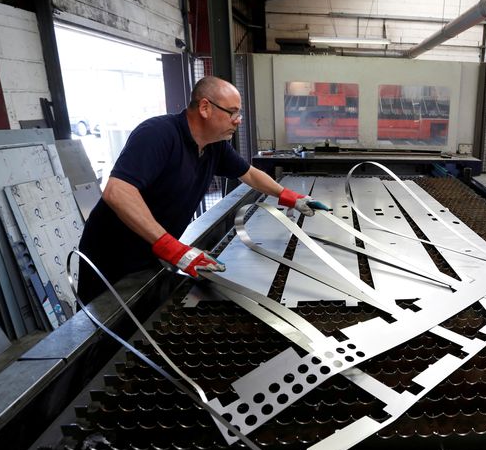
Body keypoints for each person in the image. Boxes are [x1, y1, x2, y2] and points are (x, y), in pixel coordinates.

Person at [77, 76, 321, 305]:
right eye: (232, 113)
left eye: (239, 113)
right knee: (103, 334)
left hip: (152, 253)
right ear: (205, 108)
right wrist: (170, 247)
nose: (238, 120)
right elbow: (117, 191)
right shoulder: (158, 134)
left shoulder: (214, 147)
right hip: (111, 257)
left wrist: (289, 197)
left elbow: (249, 173)